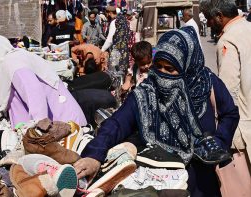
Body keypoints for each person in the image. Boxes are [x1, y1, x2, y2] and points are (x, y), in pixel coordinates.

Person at [73, 26, 239, 196]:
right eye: (158, 66)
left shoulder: (206, 83)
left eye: (170, 69)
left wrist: (219, 141)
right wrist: (94, 154)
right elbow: (116, 123)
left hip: (202, 181)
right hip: (160, 183)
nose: (162, 74)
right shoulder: (146, 90)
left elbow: (230, 113)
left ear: (187, 67)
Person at [0, 34, 87, 128]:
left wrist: (40, 130)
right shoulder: (10, 61)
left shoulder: (12, 61)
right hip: (57, 125)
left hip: (61, 126)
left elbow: (34, 91)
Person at [200, 0, 251, 171]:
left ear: (219, 16)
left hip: (244, 128)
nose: (207, 23)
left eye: (209, 18)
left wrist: (225, 132)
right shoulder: (248, 27)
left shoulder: (227, 41)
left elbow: (228, 92)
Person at [102, 6, 130, 75]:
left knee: (114, 73)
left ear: (110, 13)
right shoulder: (124, 20)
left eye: (106, 14)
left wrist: (101, 50)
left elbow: (110, 39)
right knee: (122, 72)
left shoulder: (114, 22)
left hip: (116, 52)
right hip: (125, 50)